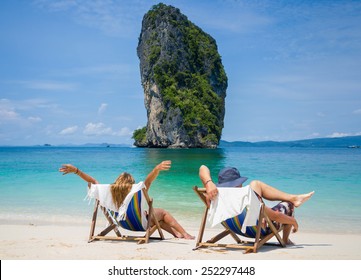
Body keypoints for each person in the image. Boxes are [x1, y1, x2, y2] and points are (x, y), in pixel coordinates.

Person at [59, 160, 194, 240]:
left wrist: (76, 171)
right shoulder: (137, 189)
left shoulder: (108, 192)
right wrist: (156, 169)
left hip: (123, 224)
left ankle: (176, 234)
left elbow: (93, 181)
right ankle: (185, 234)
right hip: (140, 224)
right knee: (163, 213)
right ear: (132, 183)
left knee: (156, 219)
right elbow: (148, 180)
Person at [199, 165, 314, 245]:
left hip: (236, 227)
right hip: (259, 230)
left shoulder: (215, 194)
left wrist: (208, 183)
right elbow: (275, 216)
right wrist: (294, 222)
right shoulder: (245, 199)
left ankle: (294, 198)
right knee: (288, 205)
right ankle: (285, 239)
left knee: (255, 185)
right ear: (239, 183)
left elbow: (202, 167)